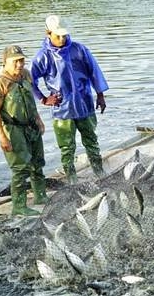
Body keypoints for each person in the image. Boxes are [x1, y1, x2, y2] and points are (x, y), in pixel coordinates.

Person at [31, 14, 109, 183]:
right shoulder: (42, 57)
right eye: (57, 35)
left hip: (84, 105)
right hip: (62, 109)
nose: (62, 38)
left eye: (64, 35)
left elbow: (94, 72)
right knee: (67, 148)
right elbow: (30, 81)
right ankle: (72, 180)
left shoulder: (79, 49)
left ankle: (100, 173)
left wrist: (100, 95)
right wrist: (44, 99)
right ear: (48, 33)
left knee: (91, 141)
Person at [0, 45, 48, 216]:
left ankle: (41, 196)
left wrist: (39, 120)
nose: (19, 64)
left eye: (21, 60)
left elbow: (30, 100)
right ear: (5, 62)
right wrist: (2, 137)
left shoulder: (26, 74)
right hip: (13, 129)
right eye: (15, 61)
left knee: (38, 163)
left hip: (32, 125)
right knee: (20, 168)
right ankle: (19, 206)